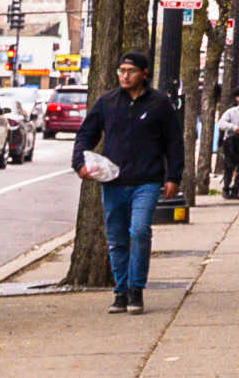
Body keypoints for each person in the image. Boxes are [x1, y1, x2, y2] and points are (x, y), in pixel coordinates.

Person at [72, 50, 180, 314]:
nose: (124, 75)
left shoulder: (159, 104)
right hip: (114, 182)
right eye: (121, 71)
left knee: (140, 231)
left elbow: (174, 142)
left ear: (144, 74)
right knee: (117, 238)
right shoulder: (107, 102)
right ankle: (120, 292)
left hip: (147, 181)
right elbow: (86, 133)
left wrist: (173, 176)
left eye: (130, 71)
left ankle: (136, 290)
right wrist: (80, 163)